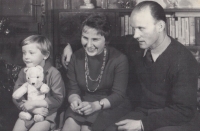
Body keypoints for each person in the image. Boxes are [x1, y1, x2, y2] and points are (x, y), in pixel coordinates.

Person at [104, 1, 200, 131]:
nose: (136, 35)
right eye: (134, 29)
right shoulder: (135, 45)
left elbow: (184, 110)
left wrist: (142, 125)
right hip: (143, 112)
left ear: (160, 26)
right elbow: (104, 40)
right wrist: (70, 46)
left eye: (141, 28)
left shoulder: (184, 60)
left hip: (176, 119)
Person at [61, 14, 131, 131]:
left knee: (86, 128)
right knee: (70, 123)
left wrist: (95, 105)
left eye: (95, 39)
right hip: (84, 102)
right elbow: (73, 89)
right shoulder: (75, 57)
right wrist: (74, 101)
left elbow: (118, 95)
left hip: (110, 104)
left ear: (106, 40)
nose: (89, 45)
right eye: (85, 38)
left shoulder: (119, 59)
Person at [12, 35, 65, 131]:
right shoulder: (24, 72)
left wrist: (34, 104)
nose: (26, 57)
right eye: (24, 53)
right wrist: (32, 109)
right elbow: (16, 95)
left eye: (31, 53)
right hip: (27, 112)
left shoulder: (54, 73)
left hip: (47, 115)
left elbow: (58, 99)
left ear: (45, 55)